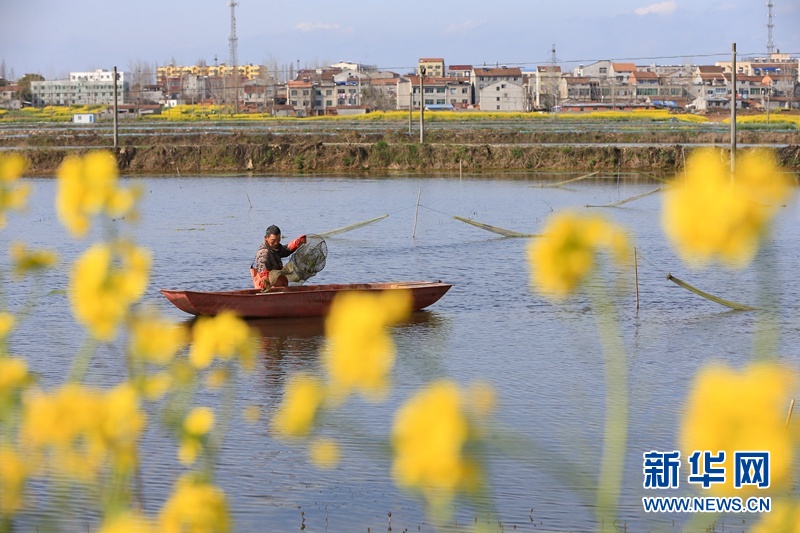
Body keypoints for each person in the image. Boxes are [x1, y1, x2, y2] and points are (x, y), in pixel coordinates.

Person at [250, 225, 307, 290]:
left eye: (278, 239)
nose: (276, 243)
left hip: (277, 283)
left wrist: (297, 242)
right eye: (273, 240)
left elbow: (285, 251)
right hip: (266, 285)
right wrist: (264, 277)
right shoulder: (263, 253)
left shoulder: (275, 247)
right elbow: (262, 264)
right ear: (266, 238)